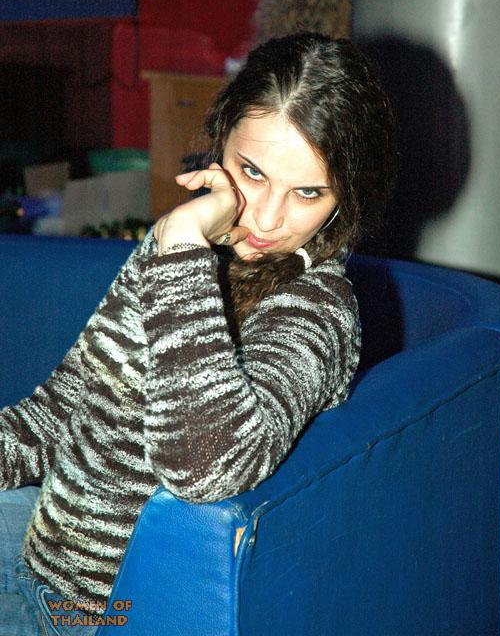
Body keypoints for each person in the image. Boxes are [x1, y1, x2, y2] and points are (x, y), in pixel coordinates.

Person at [0, 33, 395, 635]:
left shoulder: (318, 309)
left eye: (308, 192)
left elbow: (205, 468)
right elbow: (64, 408)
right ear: (221, 139)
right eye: (252, 172)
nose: (266, 218)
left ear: (347, 195)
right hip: (33, 542)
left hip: (89, 612)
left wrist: (182, 244)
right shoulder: (184, 253)